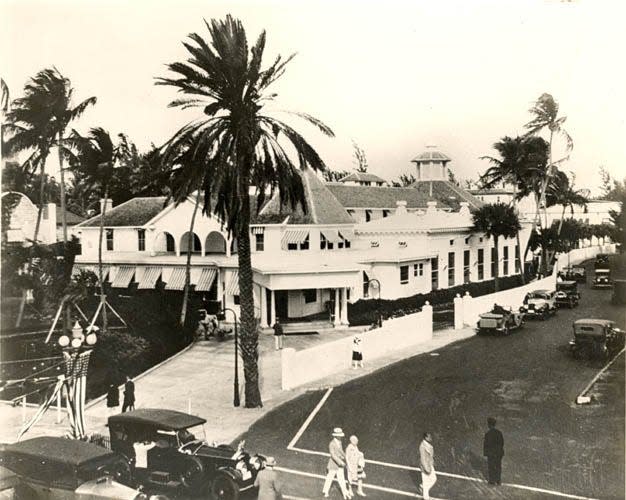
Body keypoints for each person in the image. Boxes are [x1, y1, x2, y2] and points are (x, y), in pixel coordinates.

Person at [322, 428, 351, 499]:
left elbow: (340, 451)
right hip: (333, 464)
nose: (341, 436)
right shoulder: (331, 444)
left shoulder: (339, 442)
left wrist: (345, 456)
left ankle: (345, 493)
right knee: (330, 478)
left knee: (341, 479)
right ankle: (325, 491)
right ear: (336, 436)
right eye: (339, 435)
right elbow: (333, 455)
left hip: (339, 465)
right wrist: (340, 462)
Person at [483, 417, 504, 485]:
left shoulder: (488, 434)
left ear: (489, 425)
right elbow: (502, 443)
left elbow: (486, 444)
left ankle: (492, 480)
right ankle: (498, 480)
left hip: (491, 453)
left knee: (491, 466)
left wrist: (486, 453)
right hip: (498, 452)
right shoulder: (499, 433)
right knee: (498, 465)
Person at [419, 432, 437, 500]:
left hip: (429, 465)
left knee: (434, 479)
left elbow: (430, 456)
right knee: (426, 482)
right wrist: (426, 469)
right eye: (429, 437)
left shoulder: (428, 445)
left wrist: (432, 463)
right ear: (425, 438)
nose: (431, 438)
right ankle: (426, 498)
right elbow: (423, 459)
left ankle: (422, 487)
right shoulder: (422, 446)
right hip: (425, 466)